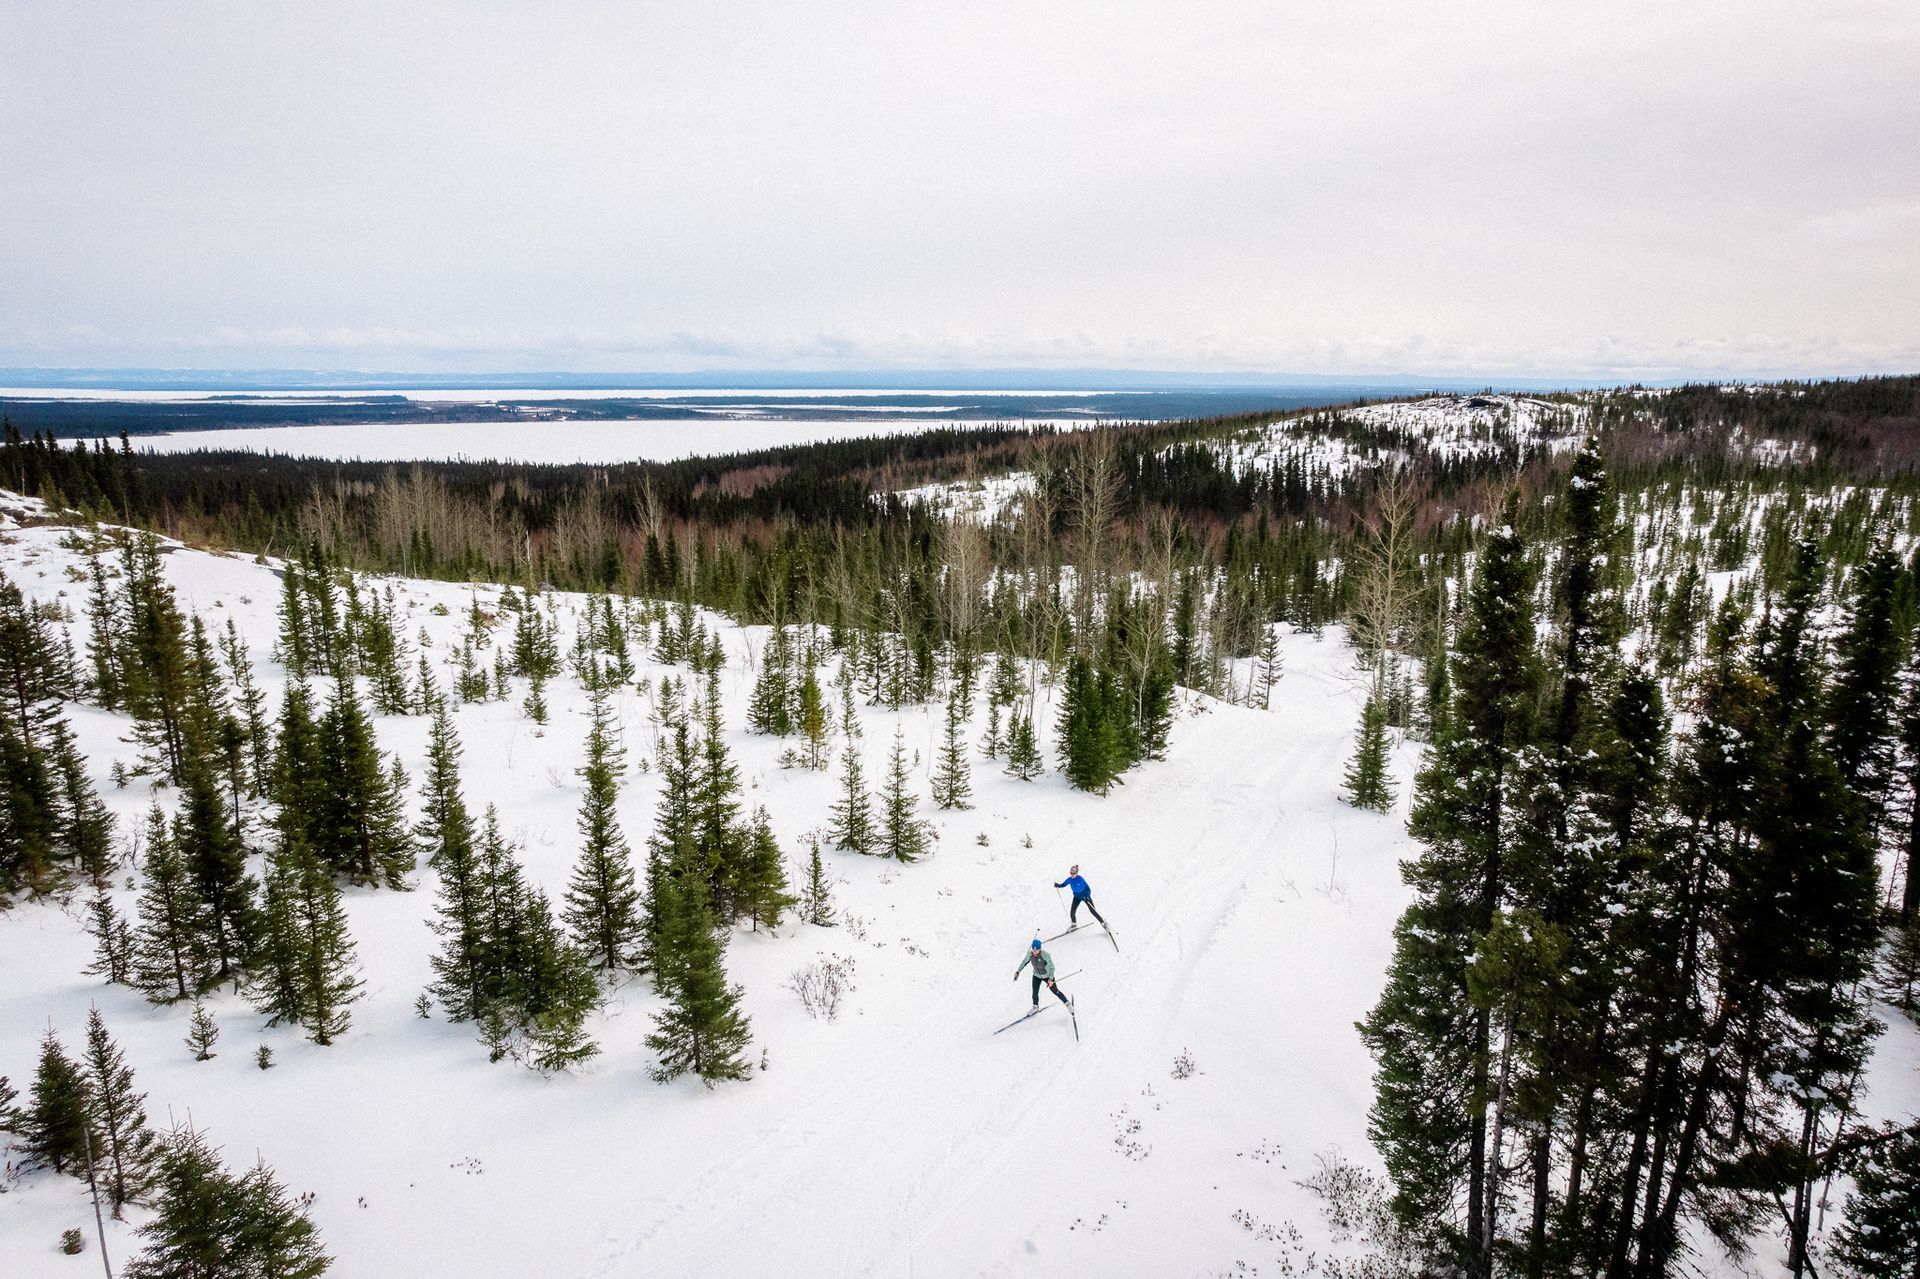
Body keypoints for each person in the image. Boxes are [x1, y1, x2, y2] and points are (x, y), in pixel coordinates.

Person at [1015, 939, 1070, 1010]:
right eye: (1033, 949)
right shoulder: (1030, 954)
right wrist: (1018, 971)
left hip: (1047, 976)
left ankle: (1067, 1004)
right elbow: (1024, 962)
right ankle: (1035, 1007)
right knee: (1034, 993)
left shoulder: (1045, 955)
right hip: (1036, 975)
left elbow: (1052, 968)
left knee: (1055, 991)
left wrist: (1050, 979)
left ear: (1039, 949)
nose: (1034, 951)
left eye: (1036, 950)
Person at [1054, 864, 1107, 929]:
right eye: (1071, 873)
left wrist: (1087, 896)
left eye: (1074, 873)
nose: (1072, 874)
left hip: (1085, 896)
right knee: (1072, 911)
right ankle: (1074, 924)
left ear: (1077, 873)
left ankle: (1103, 923)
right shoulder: (1069, 879)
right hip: (1077, 897)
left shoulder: (1080, 879)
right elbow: (1064, 884)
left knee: (1092, 910)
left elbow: (1088, 889)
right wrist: (1058, 885)